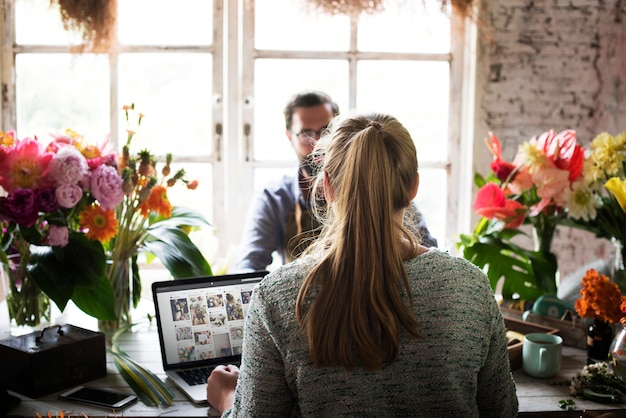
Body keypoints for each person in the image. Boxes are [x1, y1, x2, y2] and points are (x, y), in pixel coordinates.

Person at [207, 112, 518, 416]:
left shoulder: (277, 297)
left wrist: (227, 398)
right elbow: (502, 410)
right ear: (413, 188)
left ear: (325, 187)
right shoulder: (470, 285)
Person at [230, 91, 438, 273]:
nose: (318, 144)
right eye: (306, 134)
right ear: (289, 137)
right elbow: (248, 265)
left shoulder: (382, 185)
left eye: (325, 131)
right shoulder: (274, 197)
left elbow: (427, 254)